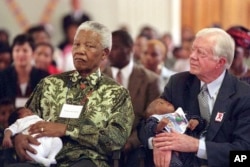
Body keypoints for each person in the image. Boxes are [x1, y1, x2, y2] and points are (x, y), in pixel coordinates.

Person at [7, 21, 134, 167]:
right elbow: (23, 119)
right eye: (76, 44)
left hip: (86, 160)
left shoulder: (117, 94)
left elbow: (116, 139)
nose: (80, 50)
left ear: (104, 53)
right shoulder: (49, 84)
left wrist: (67, 130)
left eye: (89, 46)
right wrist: (18, 138)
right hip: (42, 158)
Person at [141, 27, 250, 167]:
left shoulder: (244, 96)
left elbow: (243, 156)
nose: (192, 56)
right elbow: (145, 126)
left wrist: (197, 146)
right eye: (193, 50)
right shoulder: (178, 83)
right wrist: (161, 143)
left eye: (201, 53)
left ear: (220, 62)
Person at [102, 30, 160, 167]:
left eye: (114, 47)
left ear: (129, 48)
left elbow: (152, 119)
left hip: (137, 145)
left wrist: (131, 142)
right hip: (103, 143)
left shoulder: (150, 80)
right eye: (107, 48)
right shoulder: (98, 79)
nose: (109, 52)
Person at [140, 98, 206, 167]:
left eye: (164, 101)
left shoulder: (178, 116)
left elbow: (199, 122)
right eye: (160, 103)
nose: (165, 102)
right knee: (171, 159)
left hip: (189, 151)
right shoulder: (156, 118)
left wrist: (196, 121)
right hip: (171, 151)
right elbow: (149, 128)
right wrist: (159, 126)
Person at [0, 34, 49, 108]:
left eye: (25, 50)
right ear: (12, 53)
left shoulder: (43, 76)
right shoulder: (3, 76)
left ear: (33, 53)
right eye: (17, 50)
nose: (21, 54)